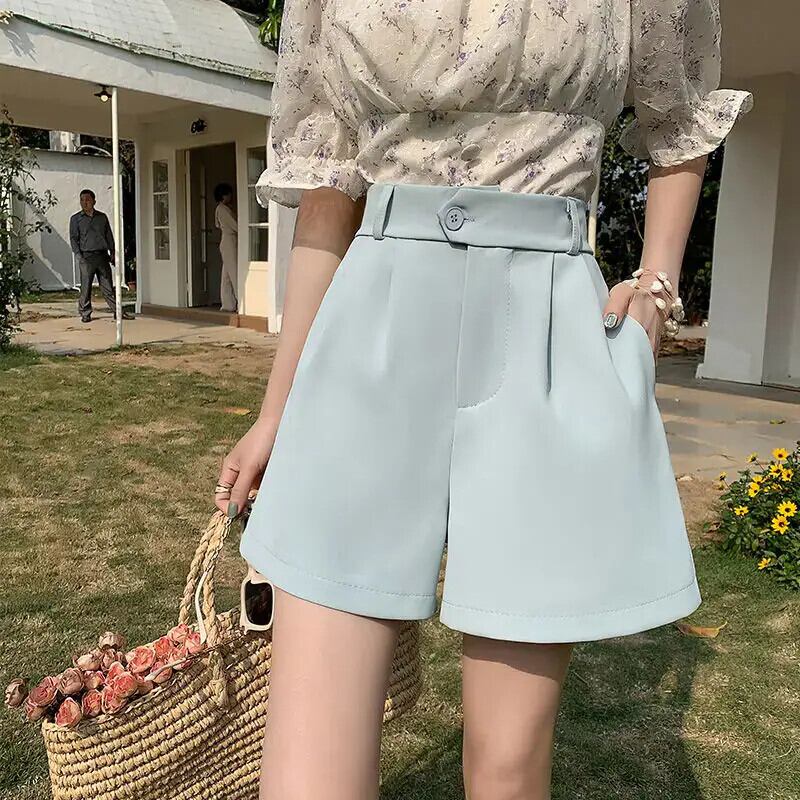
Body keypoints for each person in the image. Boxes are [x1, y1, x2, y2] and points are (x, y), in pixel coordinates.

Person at [215, 2, 752, 798]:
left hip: (546, 332)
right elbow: (330, 180)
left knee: (508, 766)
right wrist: (275, 412)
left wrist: (655, 291)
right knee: (307, 772)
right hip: (370, 330)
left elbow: (679, 120)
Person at [69, 189, 133, 323]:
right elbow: (74, 239)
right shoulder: (76, 219)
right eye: (82, 200)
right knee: (86, 287)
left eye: (87, 200)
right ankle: (85, 312)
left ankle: (118, 311)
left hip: (102, 256)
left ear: (94, 201)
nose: (84, 202)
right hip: (86, 257)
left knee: (108, 286)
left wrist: (113, 252)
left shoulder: (102, 217)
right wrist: (79, 256)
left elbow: (109, 235)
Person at [214, 183, 238, 313]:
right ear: (224, 195)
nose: (231, 196)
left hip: (227, 240)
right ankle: (240, 300)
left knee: (227, 275)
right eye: (229, 194)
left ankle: (228, 303)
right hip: (229, 241)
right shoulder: (223, 209)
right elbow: (234, 225)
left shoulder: (221, 209)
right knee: (234, 272)